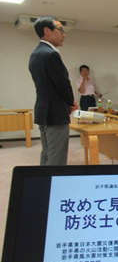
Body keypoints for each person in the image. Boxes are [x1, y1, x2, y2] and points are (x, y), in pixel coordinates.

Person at [28, 16, 77, 166]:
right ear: (47, 31)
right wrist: (71, 103)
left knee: (47, 153)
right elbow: (62, 84)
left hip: (43, 111)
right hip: (55, 113)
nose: (64, 34)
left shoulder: (35, 54)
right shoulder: (51, 54)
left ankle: (43, 185)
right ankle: (54, 187)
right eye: (60, 29)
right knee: (57, 157)